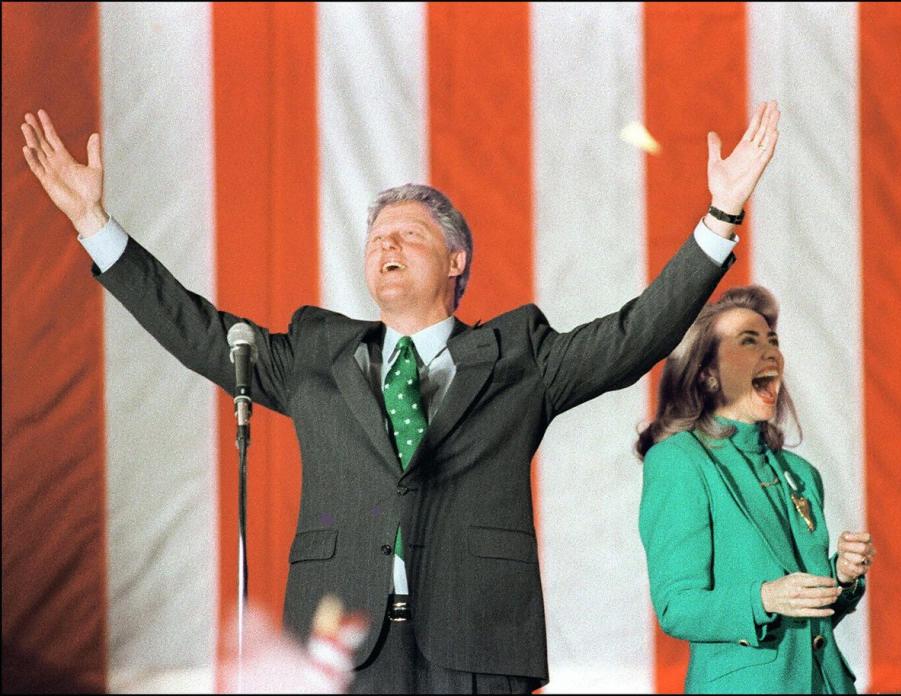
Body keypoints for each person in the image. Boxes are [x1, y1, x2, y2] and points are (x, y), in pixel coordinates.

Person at [21, 101, 779, 694]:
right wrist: (93, 224)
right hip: (341, 647)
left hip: (477, 647)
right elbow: (196, 329)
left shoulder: (519, 358)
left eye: (407, 236)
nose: (385, 247)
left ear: (456, 259)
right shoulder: (312, 357)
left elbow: (633, 335)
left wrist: (719, 220)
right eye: (377, 237)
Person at [637, 285, 875, 694]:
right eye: (748, 341)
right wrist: (764, 598)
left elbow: (807, 624)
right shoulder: (679, 461)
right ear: (706, 373)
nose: (771, 352)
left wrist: (842, 576)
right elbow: (677, 607)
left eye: (773, 341)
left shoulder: (801, 473)